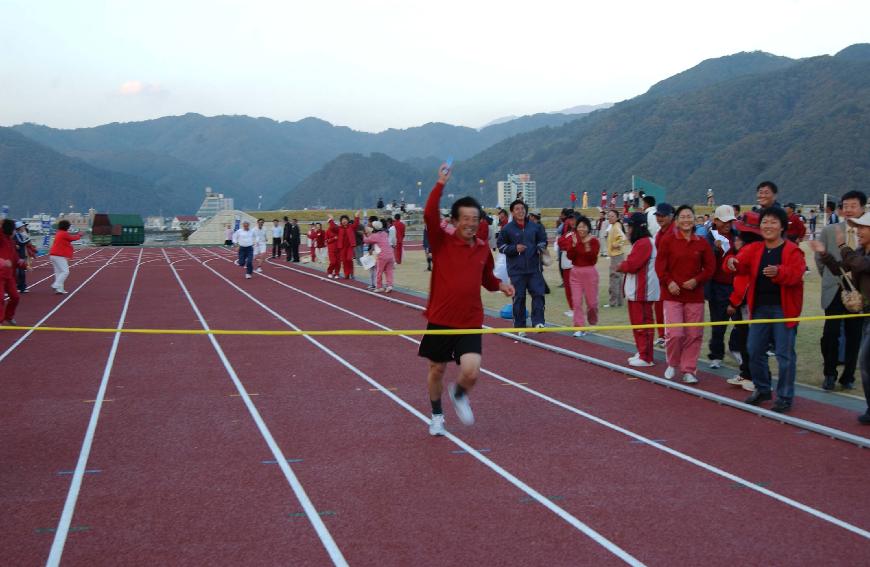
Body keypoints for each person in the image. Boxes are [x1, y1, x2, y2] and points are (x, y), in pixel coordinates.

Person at [419, 163, 514, 436]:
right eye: (466, 218)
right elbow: (428, 213)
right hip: (440, 318)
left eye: (475, 218)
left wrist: (501, 286)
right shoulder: (441, 242)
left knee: (471, 372)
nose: (471, 223)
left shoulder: (484, 249)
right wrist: (440, 183)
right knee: (436, 369)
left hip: (470, 320)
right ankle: (437, 414)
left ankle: (459, 394)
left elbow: (487, 280)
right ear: (456, 220)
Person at [728, 207, 805, 412]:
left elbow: (797, 274)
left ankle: (785, 396)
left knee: (784, 354)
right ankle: (763, 389)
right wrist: (733, 263)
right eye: (765, 222)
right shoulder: (755, 249)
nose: (768, 226)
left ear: (782, 227)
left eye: (773, 222)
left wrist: (779, 272)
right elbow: (739, 264)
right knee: (754, 350)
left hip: (783, 309)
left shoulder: (792, 250)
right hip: (759, 308)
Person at [811, 212, 870, 423]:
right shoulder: (861, 251)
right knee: (864, 360)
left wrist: (843, 245)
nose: (859, 231)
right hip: (864, 313)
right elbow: (842, 269)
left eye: (862, 227)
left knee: (864, 359)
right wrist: (825, 254)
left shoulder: (860, 255)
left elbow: (861, 265)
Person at [655, 205, 715, 384]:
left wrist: (697, 280)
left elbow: (710, 267)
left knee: (693, 334)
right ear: (677, 219)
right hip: (673, 294)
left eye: (689, 216)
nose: (686, 220)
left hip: (694, 296)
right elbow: (660, 266)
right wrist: (669, 282)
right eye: (683, 217)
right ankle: (672, 363)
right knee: (675, 333)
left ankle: (689, 369)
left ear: (694, 219)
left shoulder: (701, 242)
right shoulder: (668, 240)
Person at [725, 213, 764, 391]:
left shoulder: (751, 250)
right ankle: (747, 373)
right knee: (744, 340)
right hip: (745, 303)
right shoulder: (748, 250)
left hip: (746, 303)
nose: (735, 237)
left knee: (748, 342)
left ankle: (752, 376)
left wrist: (733, 303)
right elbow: (728, 265)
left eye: (738, 234)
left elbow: (744, 282)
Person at [497, 199, 548, 335]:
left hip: (534, 268)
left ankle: (538, 322)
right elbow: (501, 246)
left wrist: (540, 247)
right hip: (516, 271)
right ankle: (520, 326)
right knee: (519, 297)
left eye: (522, 208)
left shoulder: (535, 227)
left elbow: (543, 240)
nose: (521, 211)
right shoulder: (507, 229)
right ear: (512, 212)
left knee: (538, 294)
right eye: (517, 209)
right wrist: (515, 248)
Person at [617, 213, 659, 366]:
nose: (627, 230)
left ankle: (646, 357)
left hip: (642, 291)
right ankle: (642, 351)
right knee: (638, 323)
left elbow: (632, 265)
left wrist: (621, 266)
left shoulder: (643, 243)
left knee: (642, 323)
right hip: (639, 290)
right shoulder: (643, 242)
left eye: (629, 226)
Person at [705, 205, 740, 369]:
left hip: (737, 285)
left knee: (741, 321)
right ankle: (716, 355)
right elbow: (704, 261)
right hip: (717, 286)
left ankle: (736, 348)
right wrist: (715, 249)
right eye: (724, 221)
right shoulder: (709, 237)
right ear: (716, 221)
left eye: (730, 221)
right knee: (718, 324)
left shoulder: (738, 236)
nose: (728, 224)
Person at [559, 215, 599, 337]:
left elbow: (592, 257)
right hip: (575, 272)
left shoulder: (594, 241)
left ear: (588, 228)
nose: (581, 229)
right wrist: (574, 245)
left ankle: (592, 321)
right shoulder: (574, 239)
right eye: (579, 227)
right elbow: (570, 256)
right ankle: (579, 326)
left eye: (584, 227)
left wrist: (585, 245)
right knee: (576, 302)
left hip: (590, 272)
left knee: (591, 303)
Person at [651, 203, 676, 346]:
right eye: (658, 215)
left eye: (662, 215)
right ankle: (662, 334)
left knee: (671, 308)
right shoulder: (659, 233)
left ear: (670, 216)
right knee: (659, 305)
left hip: (673, 277)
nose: (659, 218)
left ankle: (670, 335)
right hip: (662, 276)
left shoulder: (675, 231)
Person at [49, 219, 81, 294]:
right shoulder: (64, 233)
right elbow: (73, 238)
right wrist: (79, 235)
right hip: (59, 255)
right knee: (65, 271)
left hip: (53, 255)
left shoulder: (59, 233)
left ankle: (59, 289)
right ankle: (56, 285)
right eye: (69, 226)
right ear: (66, 226)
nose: (69, 227)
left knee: (58, 272)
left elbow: (68, 240)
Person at [0, 219, 22, 325]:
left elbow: (14, 257)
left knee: (15, 297)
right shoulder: (1, 237)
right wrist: (3, 261)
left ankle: (8, 316)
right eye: (14, 229)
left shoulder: (11, 241)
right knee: (0, 299)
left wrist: (21, 263)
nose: (15, 232)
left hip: (9, 275)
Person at [363, 220, 395, 292]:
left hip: (382, 256)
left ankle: (379, 287)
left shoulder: (375, 236)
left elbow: (366, 240)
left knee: (379, 271)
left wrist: (363, 234)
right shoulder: (384, 233)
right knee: (389, 271)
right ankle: (389, 285)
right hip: (390, 254)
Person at [329, 212, 361, 279]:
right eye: (342, 220)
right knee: (344, 261)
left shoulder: (351, 227)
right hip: (342, 247)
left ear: (348, 220)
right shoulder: (339, 228)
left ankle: (351, 273)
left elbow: (356, 224)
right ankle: (347, 274)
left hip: (350, 246)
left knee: (349, 259)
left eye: (345, 219)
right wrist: (331, 220)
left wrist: (356, 217)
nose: (344, 221)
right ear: (341, 221)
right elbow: (332, 228)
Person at [605, 209, 626, 308]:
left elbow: (623, 238)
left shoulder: (616, 226)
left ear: (617, 217)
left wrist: (615, 244)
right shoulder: (613, 226)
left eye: (612, 216)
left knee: (614, 278)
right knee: (618, 278)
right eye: (609, 216)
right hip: (617, 255)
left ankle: (613, 302)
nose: (610, 217)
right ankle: (619, 301)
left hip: (616, 255)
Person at [14, 221, 35, 293]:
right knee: (18, 273)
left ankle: (22, 287)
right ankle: (18, 287)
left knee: (22, 272)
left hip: (21, 255)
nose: (24, 227)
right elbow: (21, 243)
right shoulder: (16, 234)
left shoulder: (21, 234)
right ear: (19, 228)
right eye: (23, 226)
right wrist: (28, 239)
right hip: (18, 256)